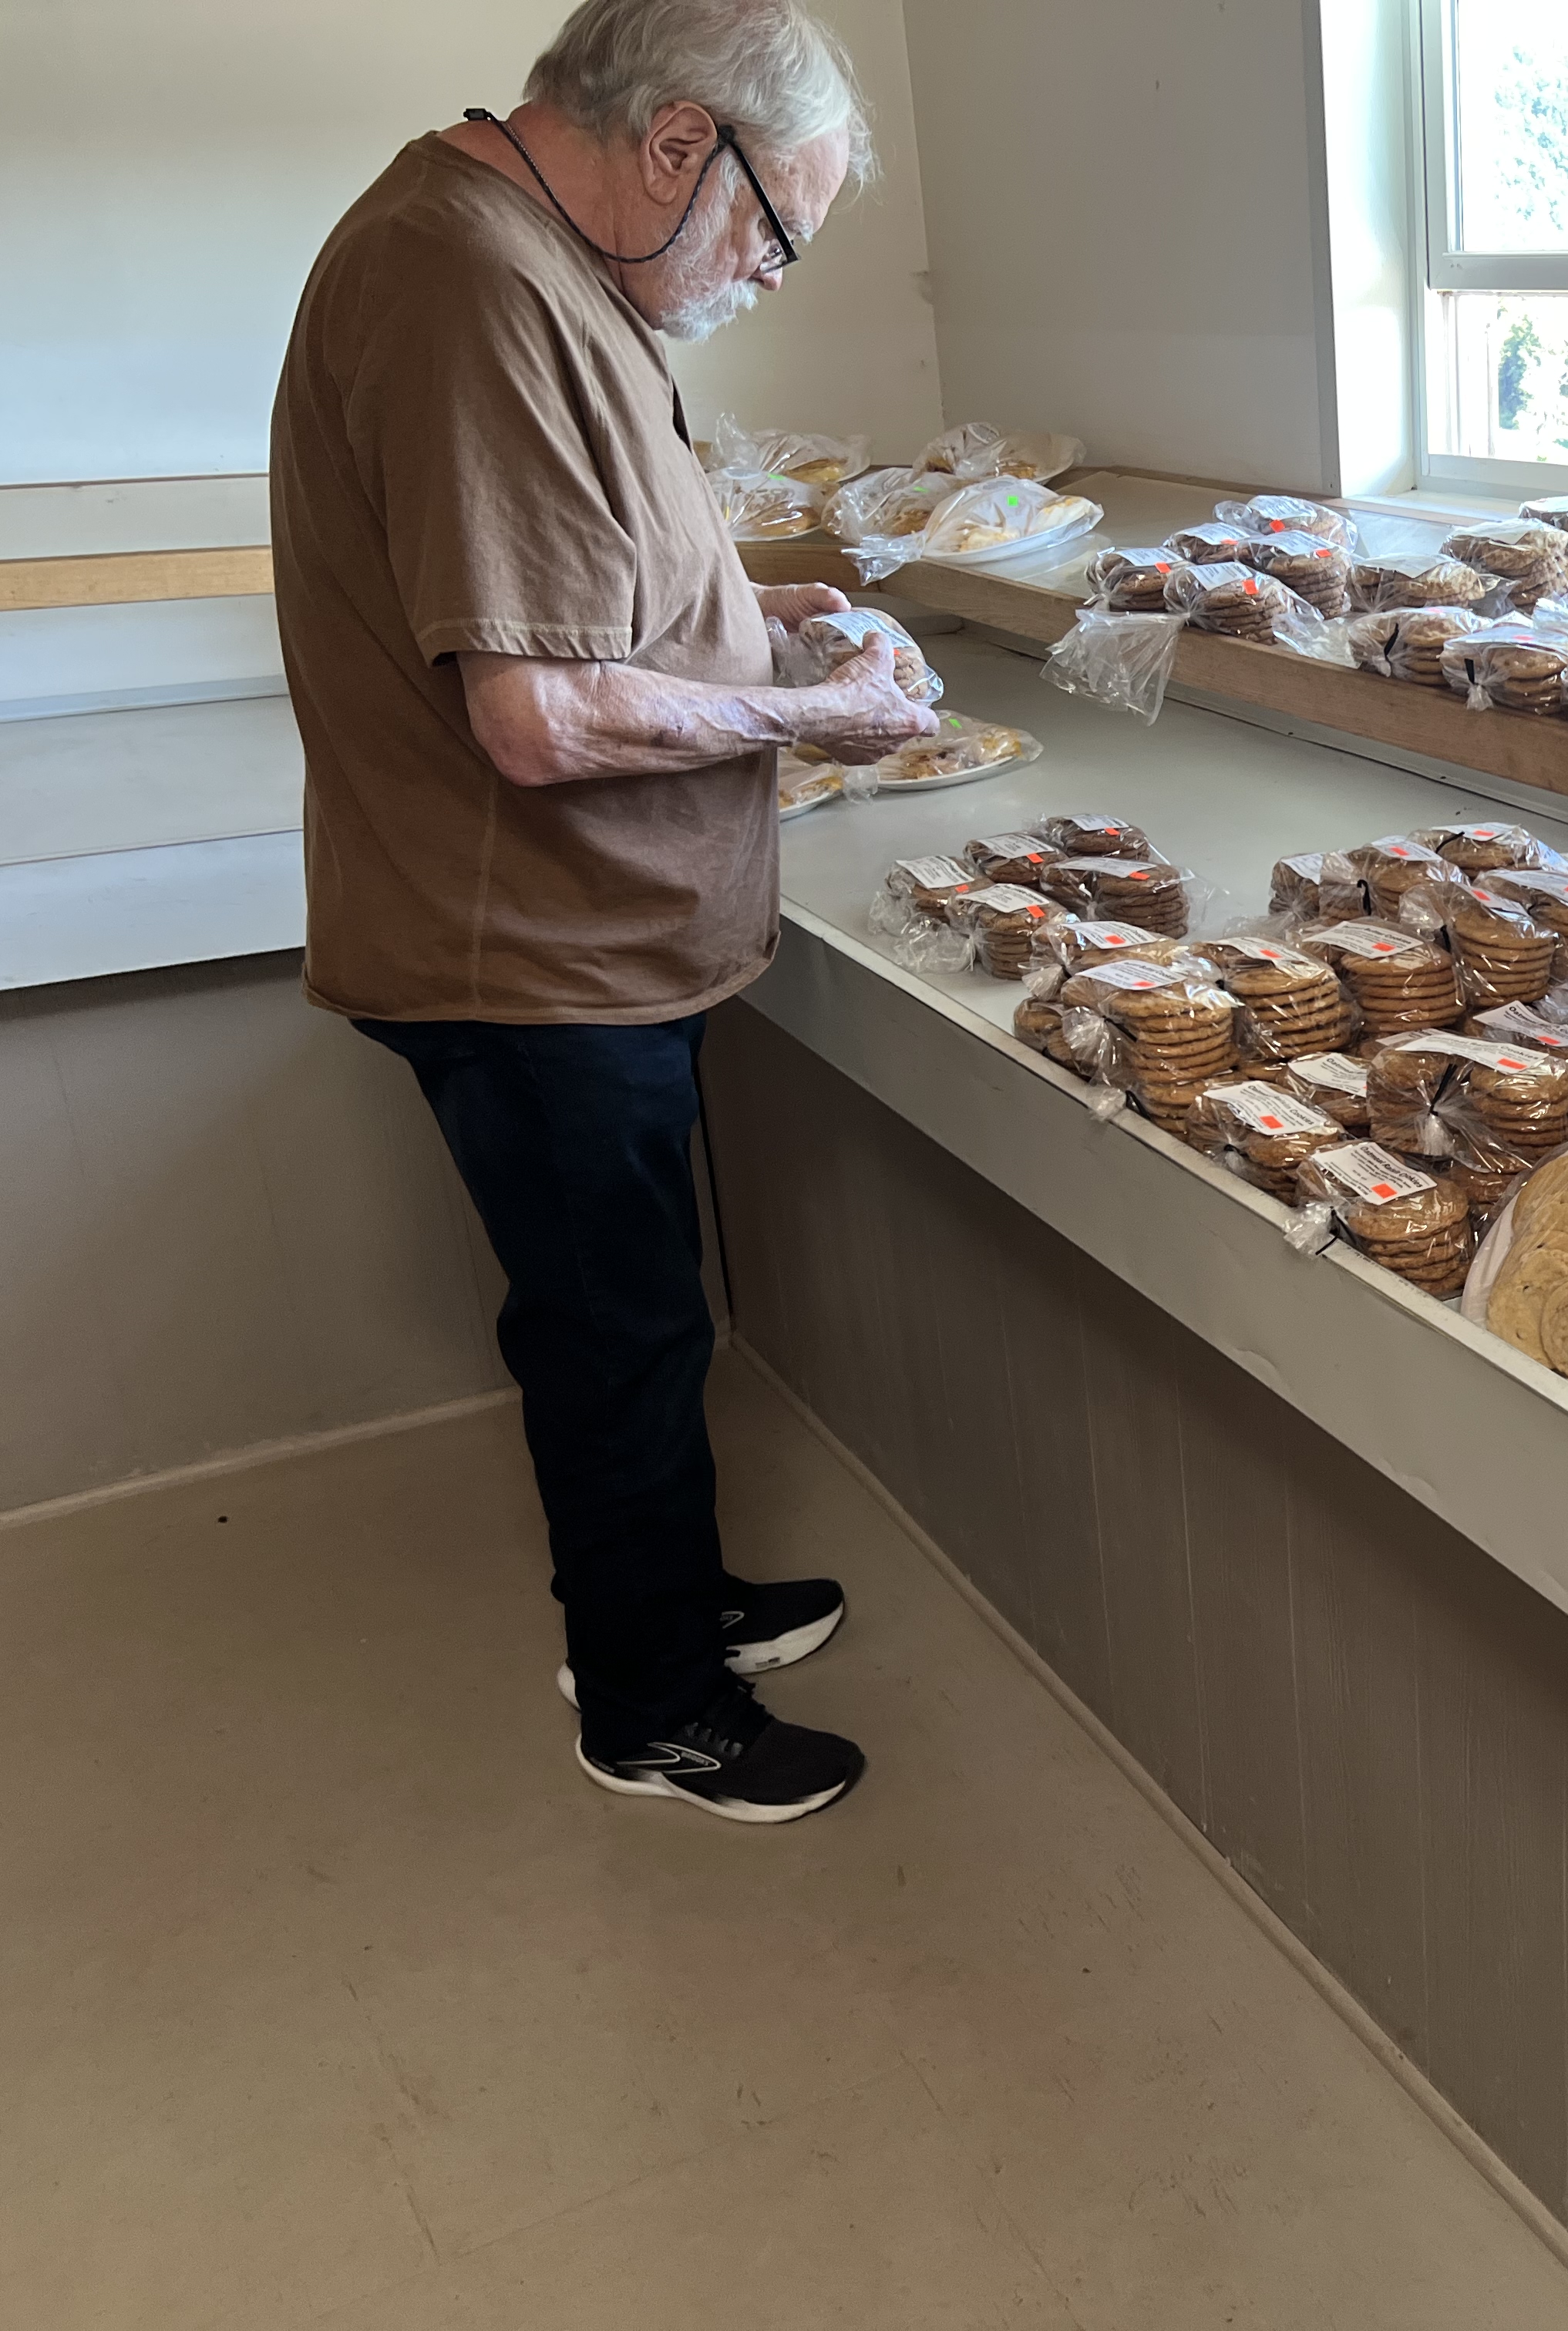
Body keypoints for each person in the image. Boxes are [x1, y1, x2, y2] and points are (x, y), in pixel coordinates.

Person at [268, 0, 933, 1823]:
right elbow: (539, 714)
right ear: (676, 146)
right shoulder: (468, 285)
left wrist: (787, 624)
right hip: (528, 957)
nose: (758, 274)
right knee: (613, 1325)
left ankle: (674, 1601)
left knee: (633, 1302)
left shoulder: (540, 265)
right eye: (768, 230)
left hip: (589, 943)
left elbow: (606, 595)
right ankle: (650, 1703)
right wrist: (828, 717)